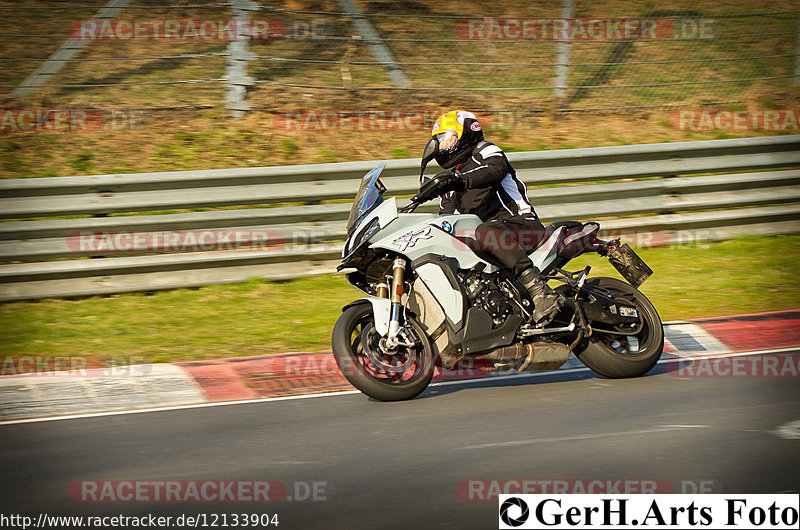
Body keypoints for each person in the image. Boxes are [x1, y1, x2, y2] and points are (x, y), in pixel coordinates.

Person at [418, 110, 561, 324]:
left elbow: (496, 169)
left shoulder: (484, 150)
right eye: (441, 141)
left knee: (485, 231)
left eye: (448, 139)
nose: (444, 146)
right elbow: (446, 220)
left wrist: (459, 180)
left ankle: (541, 291)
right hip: (492, 241)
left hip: (523, 226)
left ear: (466, 132)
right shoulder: (450, 186)